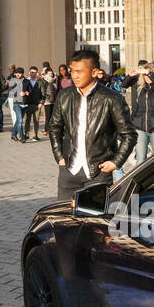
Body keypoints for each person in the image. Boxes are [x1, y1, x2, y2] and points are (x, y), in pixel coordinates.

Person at [48, 48, 136, 201]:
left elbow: (129, 134)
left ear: (94, 72)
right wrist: (59, 157)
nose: (74, 75)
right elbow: (54, 127)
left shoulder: (112, 99)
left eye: (79, 71)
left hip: (98, 173)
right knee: (65, 219)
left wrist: (116, 162)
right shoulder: (64, 95)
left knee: (94, 221)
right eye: (72, 71)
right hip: (69, 170)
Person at [120, 61, 154, 174]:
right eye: (144, 75)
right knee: (140, 159)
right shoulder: (138, 86)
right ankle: (139, 188)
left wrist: (148, 72)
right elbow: (124, 84)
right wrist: (131, 75)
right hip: (139, 127)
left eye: (149, 74)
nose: (146, 77)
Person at [7, 66, 26, 142]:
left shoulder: (26, 81)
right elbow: (11, 92)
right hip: (16, 103)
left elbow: (29, 90)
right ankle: (21, 136)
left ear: (22, 74)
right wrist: (18, 92)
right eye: (17, 73)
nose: (18, 74)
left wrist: (27, 92)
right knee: (20, 120)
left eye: (20, 73)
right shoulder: (13, 80)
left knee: (18, 120)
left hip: (24, 103)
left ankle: (13, 134)